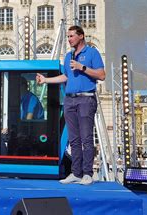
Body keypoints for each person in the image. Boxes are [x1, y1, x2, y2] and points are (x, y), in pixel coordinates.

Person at [36, 25, 105, 185]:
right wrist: (46, 80)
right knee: (73, 139)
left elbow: (101, 75)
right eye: (67, 36)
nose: (69, 39)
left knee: (86, 138)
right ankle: (76, 173)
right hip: (70, 100)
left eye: (72, 36)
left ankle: (88, 173)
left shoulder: (92, 52)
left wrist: (83, 67)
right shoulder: (68, 56)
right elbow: (66, 76)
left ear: (81, 36)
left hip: (86, 99)